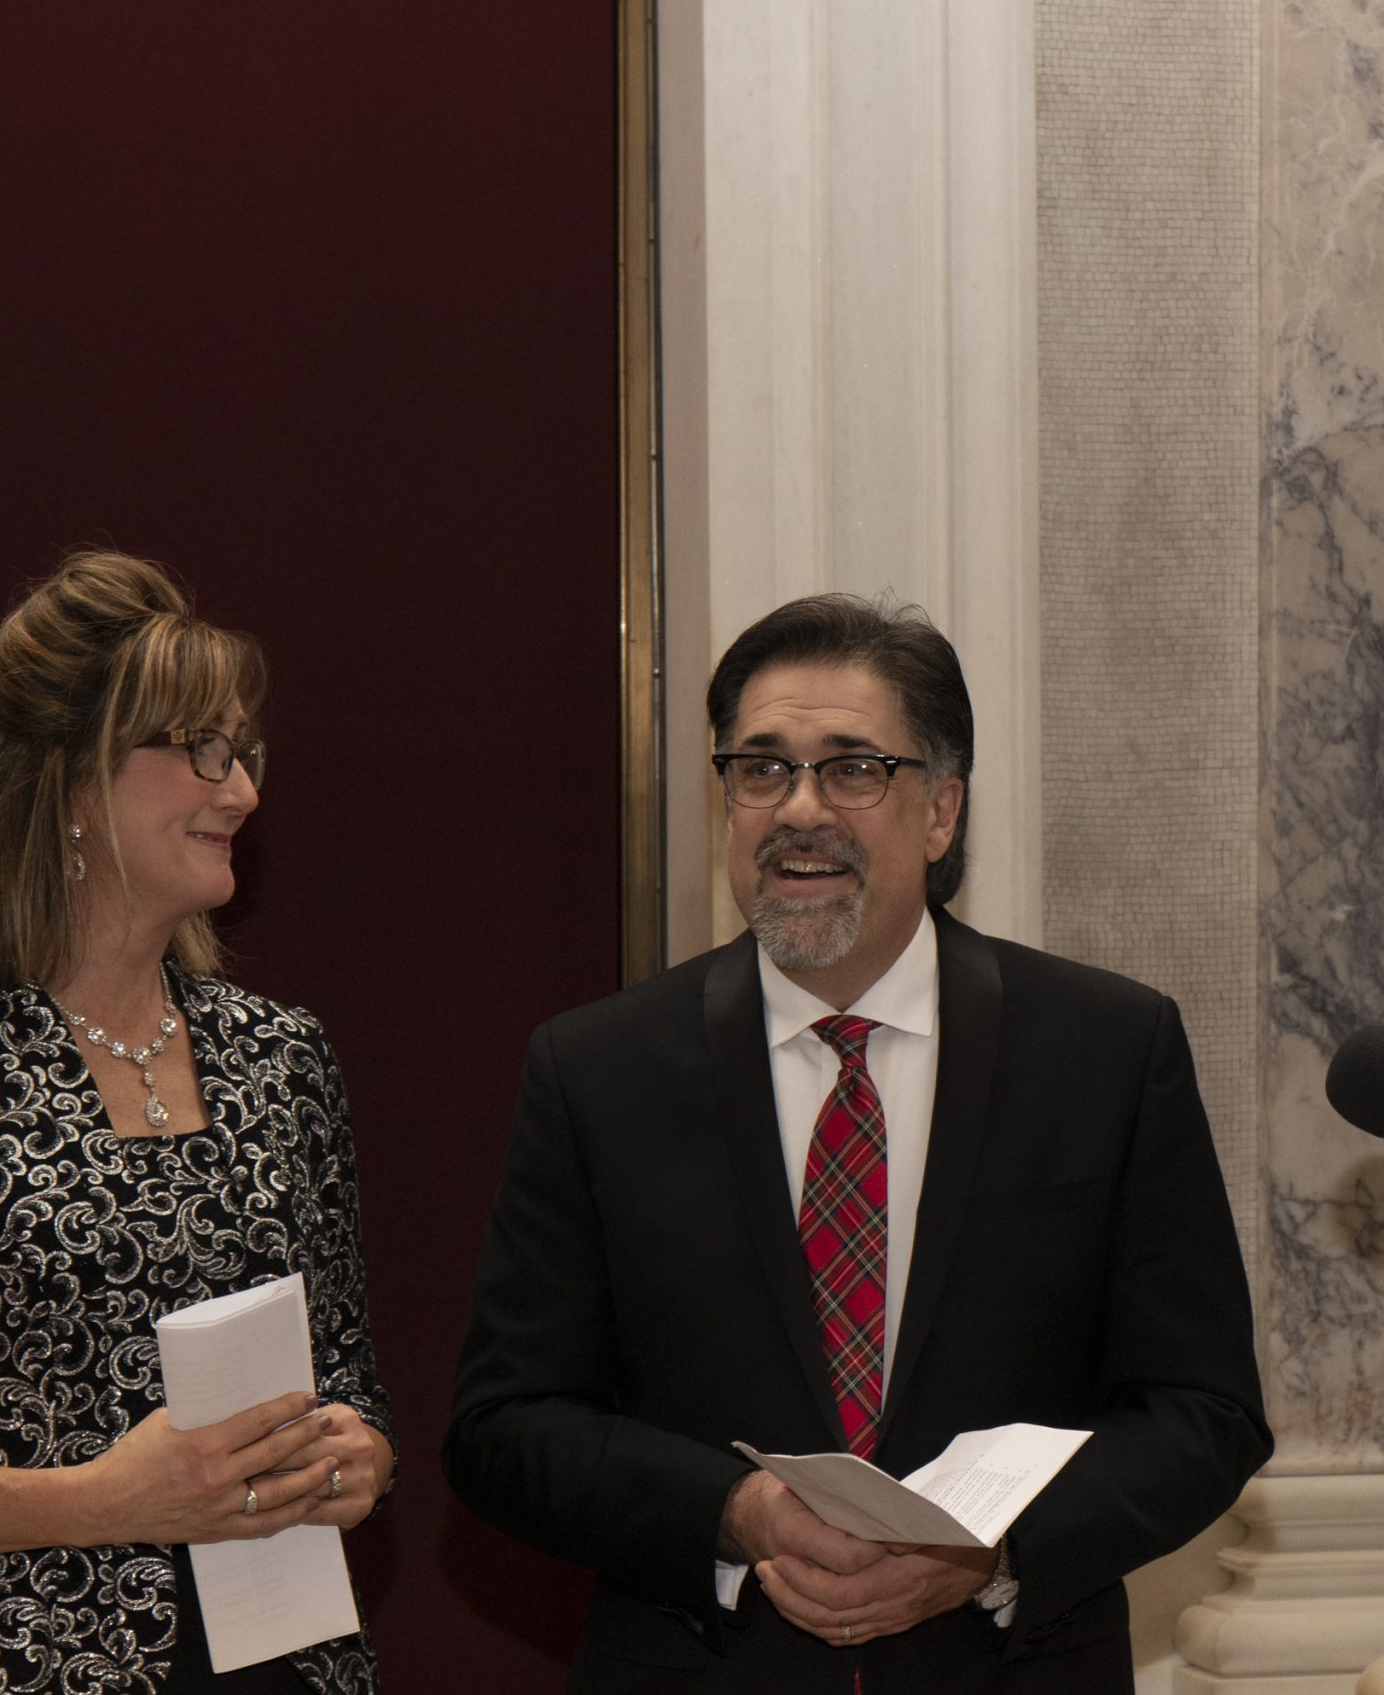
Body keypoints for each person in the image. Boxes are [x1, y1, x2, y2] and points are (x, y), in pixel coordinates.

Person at [446, 594, 1269, 1693]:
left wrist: (991, 1550)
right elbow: (506, 1427)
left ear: (940, 811)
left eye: (852, 769)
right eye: (762, 769)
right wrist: (736, 1515)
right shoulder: (597, 1070)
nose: (800, 810)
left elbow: (1201, 1412)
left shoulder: (1106, 1051)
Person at [0, 552, 395, 1694]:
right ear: (72, 782)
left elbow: (346, 1380)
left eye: (242, 752)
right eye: (198, 749)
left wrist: (357, 1458)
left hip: (293, 1663)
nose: (238, 790)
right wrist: (100, 1501)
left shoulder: (281, 1057)